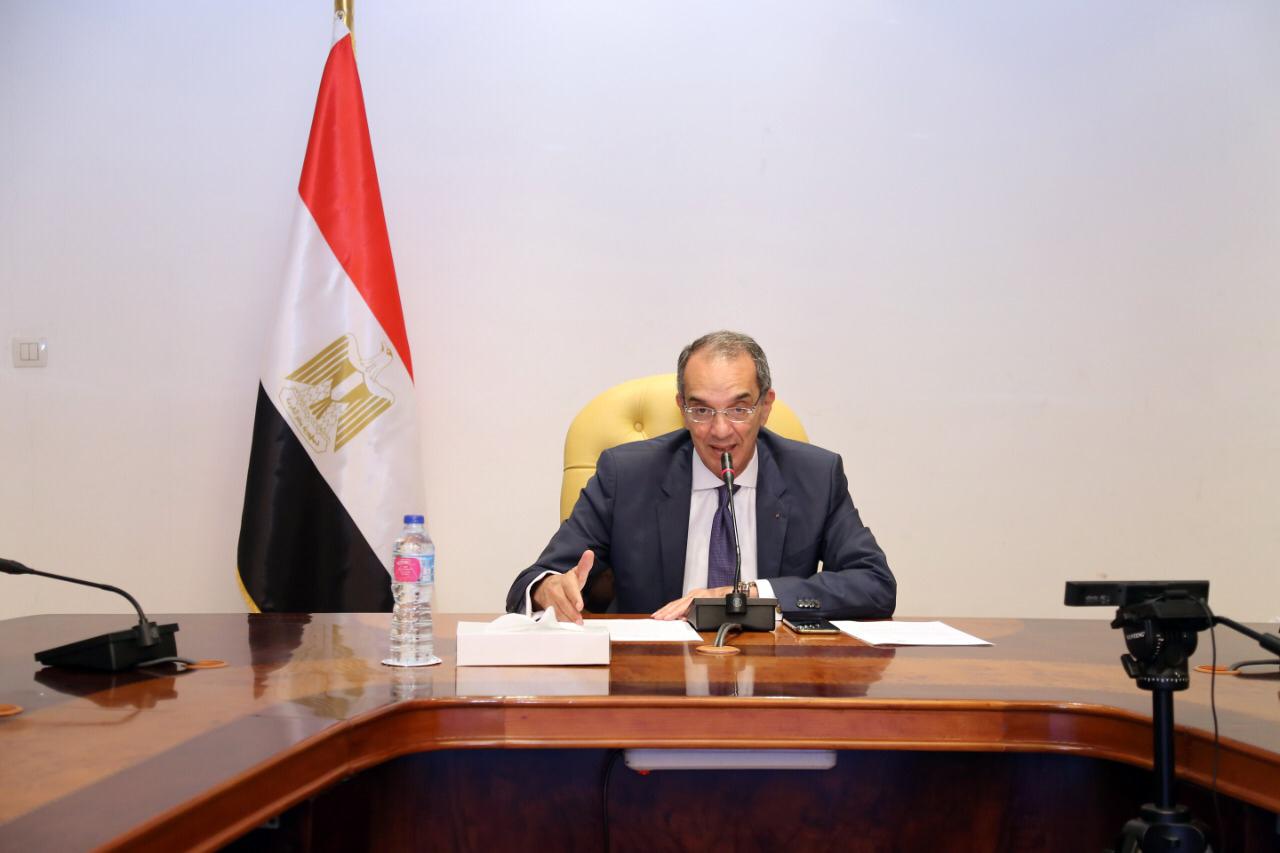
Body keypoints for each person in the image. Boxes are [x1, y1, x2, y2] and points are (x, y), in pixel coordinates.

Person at [505, 331, 895, 623]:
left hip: (774, 677)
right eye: (702, 410)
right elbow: (532, 581)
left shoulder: (815, 476)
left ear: (765, 407)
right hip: (653, 679)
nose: (720, 430)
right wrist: (547, 589)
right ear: (682, 408)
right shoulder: (627, 476)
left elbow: (875, 584)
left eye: (739, 410)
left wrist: (751, 593)